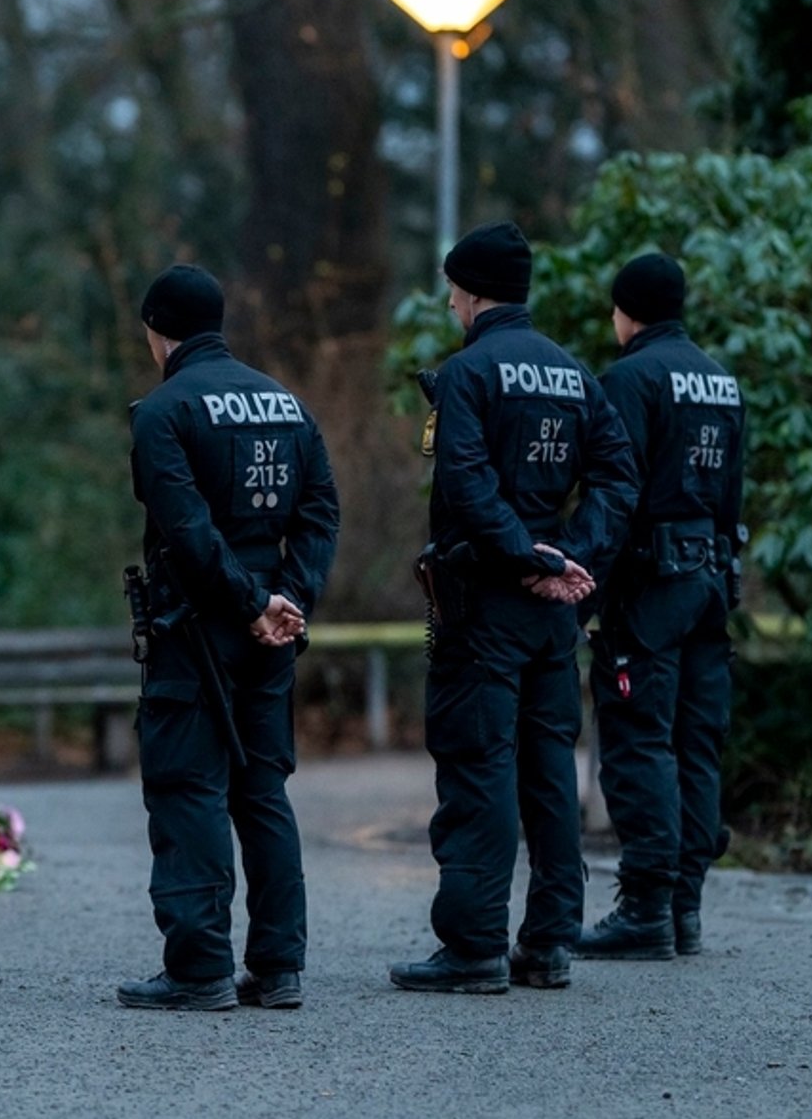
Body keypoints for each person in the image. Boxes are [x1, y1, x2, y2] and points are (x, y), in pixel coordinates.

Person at [389, 221, 638, 994]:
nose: (452, 304)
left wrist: (527, 557)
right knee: (548, 774)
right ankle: (550, 944)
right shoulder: (573, 373)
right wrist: (573, 559)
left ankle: (471, 949)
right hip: (553, 611)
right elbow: (619, 476)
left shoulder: (468, 374)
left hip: (486, 605)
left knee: (478, 766)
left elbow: (464, 482)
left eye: (454, 291)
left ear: (470, 293)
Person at [117, 264, 339, 1012]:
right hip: (272, 625)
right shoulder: (286, 403)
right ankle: (279, 967)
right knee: (263, 790)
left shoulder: (163, 411)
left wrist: (248, 603)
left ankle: (199, 968)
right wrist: (290, 599)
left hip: (199, 627)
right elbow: (320, 509)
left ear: (158, 330)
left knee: (189, 787)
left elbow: (186, 530)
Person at [576, 253, 747, 961]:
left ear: (626, 311)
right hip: (710, 580)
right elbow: (733, 494)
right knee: (696, 742)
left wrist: (587, 579)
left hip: (649, 586)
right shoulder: (721, 381)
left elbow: (616, 492)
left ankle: (645, 908)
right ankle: (685, 910)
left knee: (638, 736)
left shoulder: (631, 378)